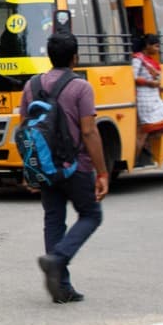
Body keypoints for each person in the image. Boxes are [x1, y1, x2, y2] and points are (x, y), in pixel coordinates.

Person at [27, 32, 109, 303]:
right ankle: (58, 259)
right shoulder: (81, 87)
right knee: (91, 215)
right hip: (76, 166)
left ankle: (61, 287)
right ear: (75, 57)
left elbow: (24, 130)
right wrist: (103, 171)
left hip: (46, 167)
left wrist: (29, 169)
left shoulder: (32, 85)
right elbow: (89, 131)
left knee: (53, 219)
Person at [131, 34, 163, 167]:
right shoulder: (138, 59)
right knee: (143, 132)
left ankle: (145, 145)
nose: (157, 49)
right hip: (144, 98)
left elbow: (153, 81)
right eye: (155, 46)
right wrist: (150, 84)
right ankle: (134, 160)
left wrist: (160, 88)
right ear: (147, 46)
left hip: (154, 96)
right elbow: (133, 78)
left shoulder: (149, 60)